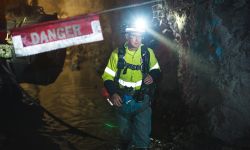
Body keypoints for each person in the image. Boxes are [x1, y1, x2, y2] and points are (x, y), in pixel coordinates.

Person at [102, 23, 161, 150]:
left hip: (142, 101)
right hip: (122, 101)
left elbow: (156, 69)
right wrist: (113, 93)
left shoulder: (147, 53)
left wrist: (153, 75)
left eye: (140, 36)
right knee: (125, 136)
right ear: (127, 37)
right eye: (134, 36)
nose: (137, 40)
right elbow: (107, 77)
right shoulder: (117, 54)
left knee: (143, 139)